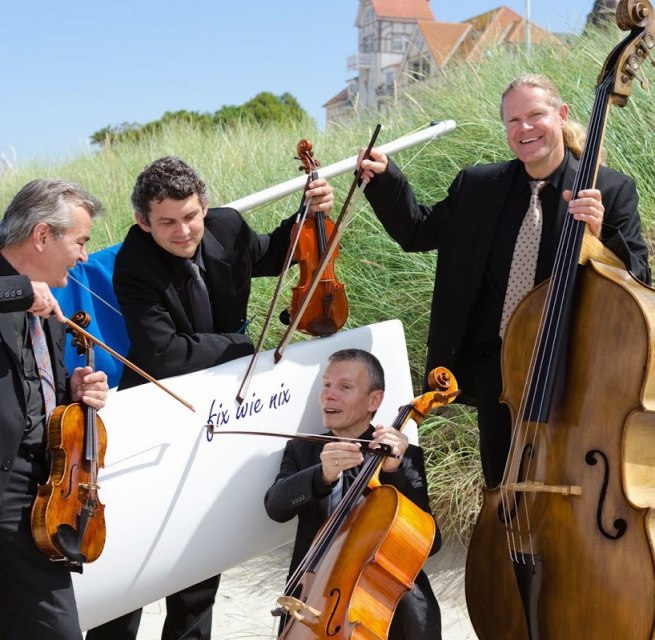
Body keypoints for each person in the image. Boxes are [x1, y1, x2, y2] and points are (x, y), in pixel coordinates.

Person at [357, 73, 651, 488]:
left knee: (569, 486)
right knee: (502, 485)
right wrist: (386, 178)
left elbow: (639, 279)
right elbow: (418, 231)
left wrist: (602, 235)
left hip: (573, 371)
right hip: (497, 372)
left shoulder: (609, 189)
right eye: (513, 120)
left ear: (561, 115)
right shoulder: (479, 186)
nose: (524, 128)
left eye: (535, 115)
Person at [87, 155, 334, 640]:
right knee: (134, 558)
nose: (183, 232)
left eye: (190, 216)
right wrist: (242, 347)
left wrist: (309, 214)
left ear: (204, 206)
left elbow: (274, 254)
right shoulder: (134, 262)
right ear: (143, 222)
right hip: (157, 409)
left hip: (218, 411)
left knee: (201, 555)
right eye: (167, 223)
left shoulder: (228, 227)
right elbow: (164, 354)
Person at [264, 348, 442, 640]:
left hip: (386, 608)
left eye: (344, 387)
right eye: (326, 385)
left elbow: (431, 543)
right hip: (313, 602)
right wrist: (321, 475)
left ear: (374, 400)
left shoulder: (403, 456)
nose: (329, 395)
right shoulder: (303, 450)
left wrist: (393, 472)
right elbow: (275, 506)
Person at [0, 179, 109, 640]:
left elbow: (30, 391)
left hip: (40, 493)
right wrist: (16, 292)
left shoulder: (50, 307)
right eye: (80, 242)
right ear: (42, 235)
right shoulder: (18, 292)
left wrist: (72, 390)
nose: (84, 256)